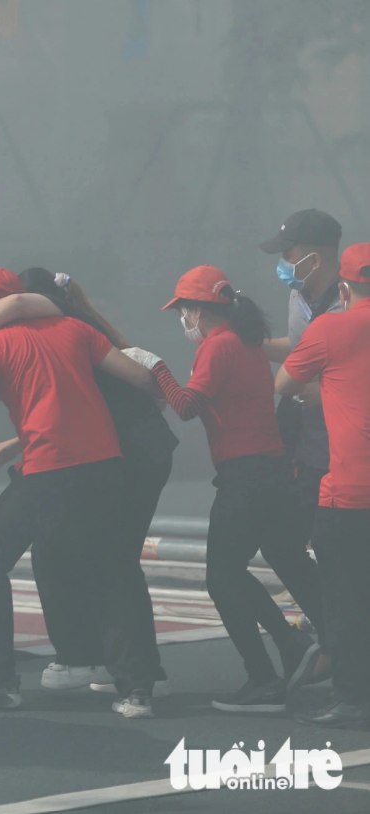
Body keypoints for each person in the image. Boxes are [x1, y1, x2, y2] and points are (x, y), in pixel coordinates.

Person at [0, 267, 162, 716]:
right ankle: (137, 689)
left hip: (51, 469)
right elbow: (142, 379)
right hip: (105, 466)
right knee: (111, 569)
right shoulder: (74, 328)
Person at [121, 265, 322, 713]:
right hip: (270, 471)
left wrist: (157, 368)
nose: (183, 319)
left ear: (196, 309)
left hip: (245, 476)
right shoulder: (246, 341)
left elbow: (188, 407)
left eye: (184, 311)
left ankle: (266, 675)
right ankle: (293, 648)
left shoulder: (219, 346)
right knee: (245, 567)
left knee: (221, 577)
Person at [276, 243, 370, 729]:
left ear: (343, 287)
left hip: (350, 490)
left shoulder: (331, 326)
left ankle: (353, 695)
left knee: (345, 597)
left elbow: (284, 384)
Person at [259, 209, 340, 663]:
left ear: (313, 253)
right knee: (283, 544)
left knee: (336, 554)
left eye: (287, 253)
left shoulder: (353, 301)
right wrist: (252, 343)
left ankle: (344, 649)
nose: (283, 263)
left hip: (348, 453)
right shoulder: (298, 299)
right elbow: (300, 347)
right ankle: (336, 638)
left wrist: (322, 393)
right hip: (310, 452)